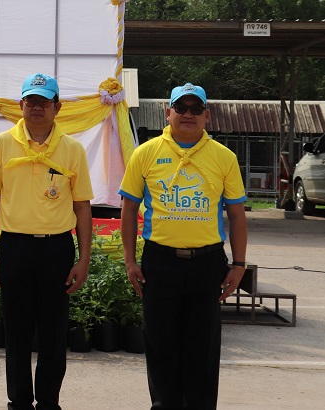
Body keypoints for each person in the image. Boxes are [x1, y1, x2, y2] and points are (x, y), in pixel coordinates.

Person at [119, 83, 247, 410]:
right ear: (168, 112)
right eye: (181, 107)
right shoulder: (145, 153)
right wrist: (131, 261)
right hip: (160, 262)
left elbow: (235, 213)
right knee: (161, 347)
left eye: (195, 108)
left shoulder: (224, 157)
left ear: (207, 115)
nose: (188, 114)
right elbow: (130, 209)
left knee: (202, 350)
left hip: (207, 264)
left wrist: (239, 265)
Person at [0, 73, 93, 410]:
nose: (37, 107)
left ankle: (48, 402)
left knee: (54, 333)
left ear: (57, 107)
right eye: (31, 101)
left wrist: (83, 258)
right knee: (16, 331)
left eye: (45, 101)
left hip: (57, 248)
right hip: (15, 247)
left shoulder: (72, 149)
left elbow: (82, 206)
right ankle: (19, 402)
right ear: (21, 106)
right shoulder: (1, 144)